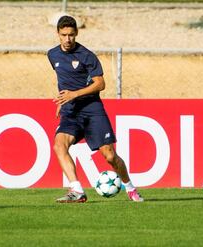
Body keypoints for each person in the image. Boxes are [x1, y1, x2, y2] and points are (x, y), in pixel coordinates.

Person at [47, 15, 144, 203]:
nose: (68, 39)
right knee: (59, 145)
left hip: (92, 109)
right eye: (64, 35)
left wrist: (74, 94)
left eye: (71, 35)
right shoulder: (52, 55)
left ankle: (130, 188)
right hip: (71, 111)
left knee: (109, 156)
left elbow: (100, 84)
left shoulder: (87, 55)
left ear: (77, 33)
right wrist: (62, 100)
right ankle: (76, 191)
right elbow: (64, 79)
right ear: (57, 34)